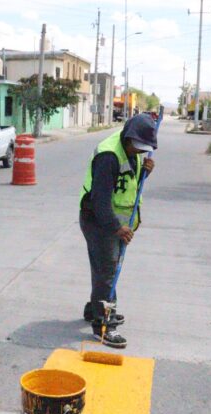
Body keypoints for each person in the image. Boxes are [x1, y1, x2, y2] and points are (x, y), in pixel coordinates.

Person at [79, 114, 157, 348]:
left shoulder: (132, 151)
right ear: (128, 137)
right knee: (108, 272)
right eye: (137, 147)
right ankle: (103, 325)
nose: (140, 152)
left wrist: (145, 172)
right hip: (99, 221)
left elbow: (127, 183)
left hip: (116, 223)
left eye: (145, 149)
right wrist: (117, 228)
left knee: (103, 269)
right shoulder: (108, 156)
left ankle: (95, 308)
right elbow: (100, 202)